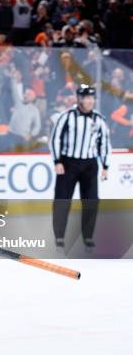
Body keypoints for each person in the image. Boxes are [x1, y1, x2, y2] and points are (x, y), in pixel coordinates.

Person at [50, 84, 111, 253]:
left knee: (91, 201)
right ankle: (60, 237)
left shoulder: (99, 119)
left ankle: (88, 237)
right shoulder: (67, 116)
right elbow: (55, 139)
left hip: (90, 165)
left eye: (92, 98)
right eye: (86, 98)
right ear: (79, 99)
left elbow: (104, 143)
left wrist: (105, 165)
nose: (90, 101)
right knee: (62, 200)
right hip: (69, 163)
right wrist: (57, 161)